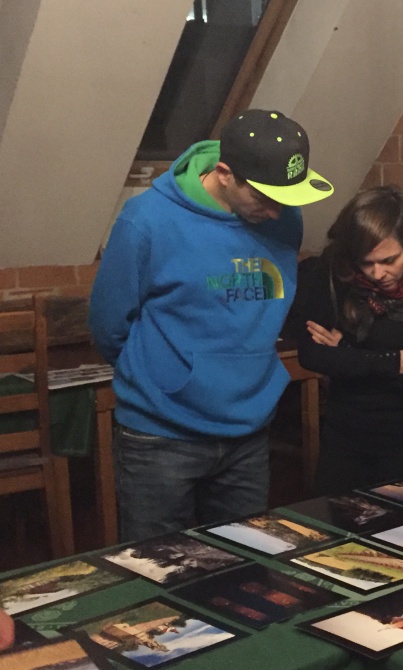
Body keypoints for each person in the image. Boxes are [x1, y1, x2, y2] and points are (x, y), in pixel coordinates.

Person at [89, 109, 334, 542]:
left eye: (285, 199)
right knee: (157, 564)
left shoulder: (283, 219)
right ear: (224, 174)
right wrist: (166, 379)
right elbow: (110, 326)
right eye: (264, 197)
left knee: (244, 563)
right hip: (160, 436)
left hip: (249, 432)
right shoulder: (146, 221)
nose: (276, 212)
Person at [293, 186, 403, 494]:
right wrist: (397, 360)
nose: (376, 274)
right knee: (332, 518)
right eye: (366, 263)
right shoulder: (335, 271)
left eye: (389, 260)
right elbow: (311, 355)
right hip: (345, 432)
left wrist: (347, 353)